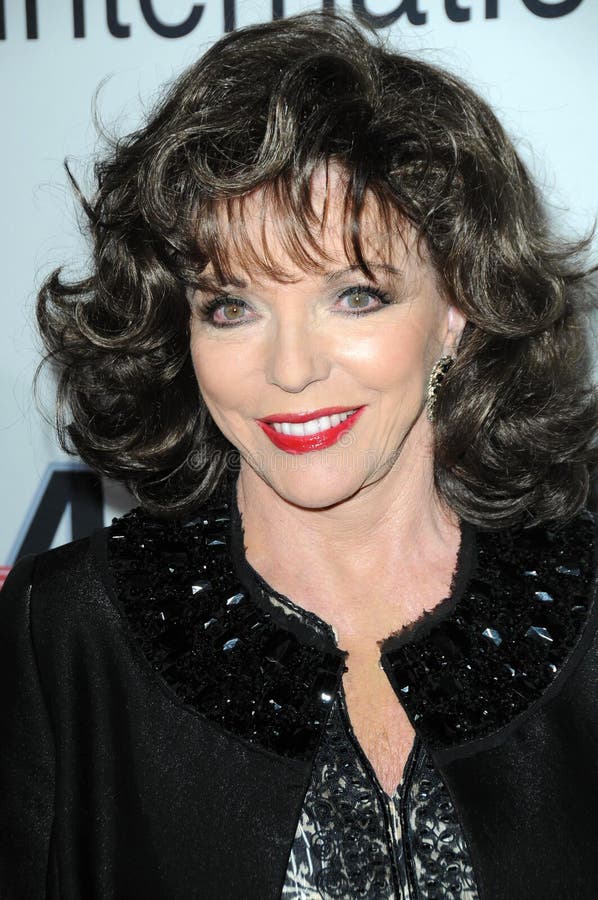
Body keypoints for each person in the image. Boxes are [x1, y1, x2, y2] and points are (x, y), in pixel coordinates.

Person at [1, 10, 597, 900]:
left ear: (456, 310)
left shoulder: (585, 607)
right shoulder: (67, 631)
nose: (290, 370)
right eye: (231, 307)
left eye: (354, 295)